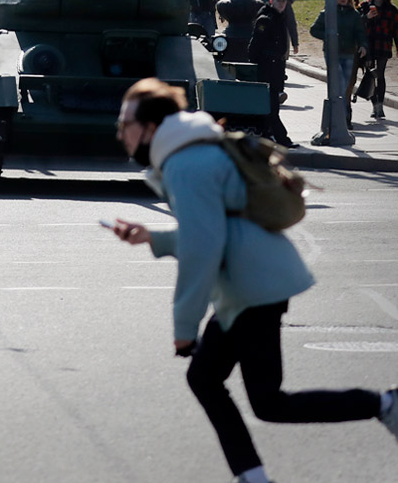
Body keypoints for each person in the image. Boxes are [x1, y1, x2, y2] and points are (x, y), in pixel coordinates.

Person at [109, 77, 398, 483]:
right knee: (209, 381)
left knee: (266, 402)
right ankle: (253, 476)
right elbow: (213, 229)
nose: (120, 132)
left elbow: (202, 249)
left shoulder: (184, 164)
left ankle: (385, 404)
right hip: (251, 285)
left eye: (125, 124)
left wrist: (184, 329)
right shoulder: (193, 149)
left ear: (151, 127)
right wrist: (152, 238)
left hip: (253, 289)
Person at [310, 0, 367, 129]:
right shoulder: (327, 13)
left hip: (349, 52)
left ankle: (343, 116)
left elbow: (360, 32)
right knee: (339, 83)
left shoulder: (354, 15)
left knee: (346, 85)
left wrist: (363, 45)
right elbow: (314, 30)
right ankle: (341, 117)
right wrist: (328, 36)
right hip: (332, 53)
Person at [247, 0, 296, 148]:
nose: (281, 4)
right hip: (267, 68)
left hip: (276, 68)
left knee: (271, 105)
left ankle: (266, 135)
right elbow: (254, 47)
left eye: (284, 1)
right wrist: (263, 62)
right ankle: (281, 138)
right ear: (271, 0)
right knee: (272, 106)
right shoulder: (266, 19)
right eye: (278, 1)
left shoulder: (279, 17)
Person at [359, 0, 397, 119]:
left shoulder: (391, 9)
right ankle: (374, 105)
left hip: (384, 44)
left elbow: (396, 30)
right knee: (370, 74)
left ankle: (380, 105)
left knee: (380, 74)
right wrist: (367, 17)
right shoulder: (365, 6)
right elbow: (357, 23)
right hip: (368, 45)